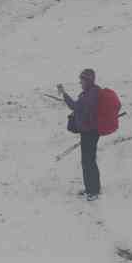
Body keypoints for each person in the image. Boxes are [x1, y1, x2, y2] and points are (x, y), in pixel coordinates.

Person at [57, 68, 101, 200]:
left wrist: (64, 94)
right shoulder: (92, 92)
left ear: (88, 80)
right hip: (90, 131)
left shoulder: (90, 95)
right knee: (90, 161)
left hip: (89, 132)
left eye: (81, 80)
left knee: (88, 161)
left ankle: (92, 192)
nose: (80, 83)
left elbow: (75, 106)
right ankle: (93, 188)